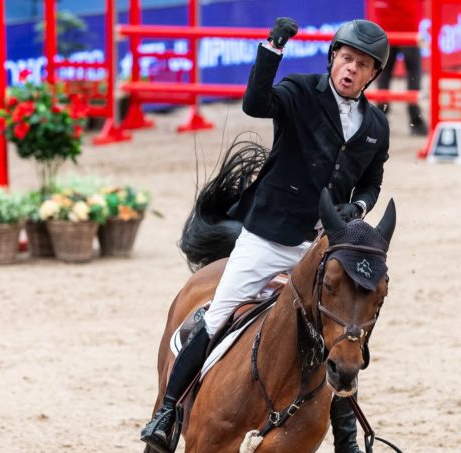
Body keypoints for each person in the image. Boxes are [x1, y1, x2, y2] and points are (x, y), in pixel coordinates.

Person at [140, 17, 391, 453]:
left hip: (321, 245)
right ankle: (165, 414)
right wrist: (271, 49)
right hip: (269, 237)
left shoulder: (375, 125)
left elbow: (372, 180)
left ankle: (346, 438)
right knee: (217, 316)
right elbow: (256, 103)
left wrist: (359, 207)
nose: (352, 68)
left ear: (373, 74)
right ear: (334, 57)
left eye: (363, 64)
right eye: (347, 58)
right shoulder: (301, 92)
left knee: (341, 331)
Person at [373, 0, 428, 136]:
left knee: (384, 75)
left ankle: (380, 120)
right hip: (407, 29)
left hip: (386, 29)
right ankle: (416, 121)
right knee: (413, 76)